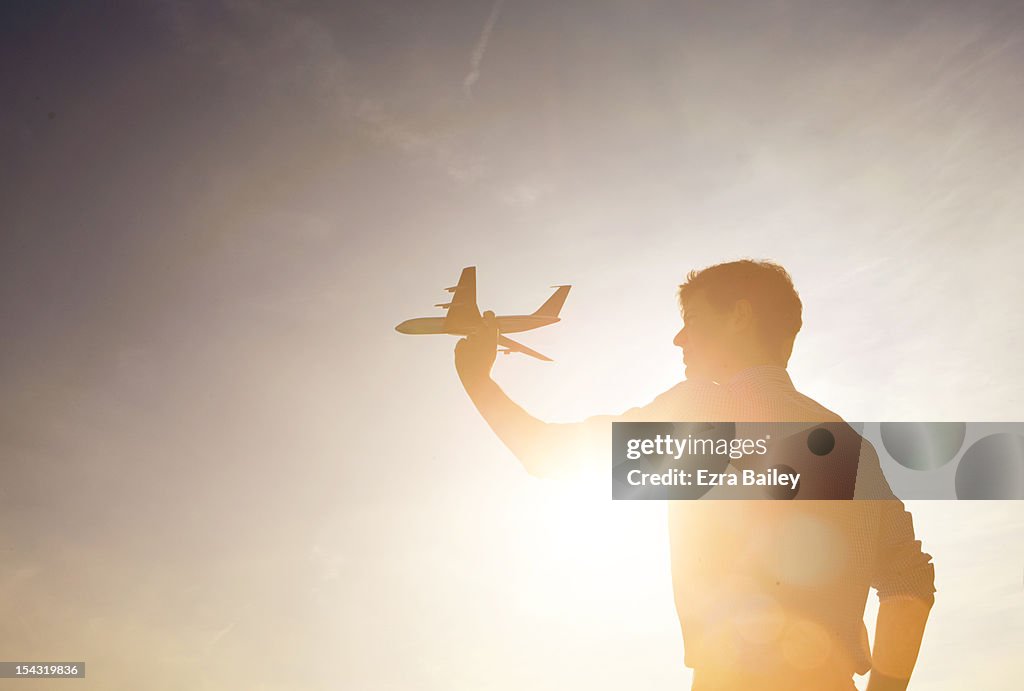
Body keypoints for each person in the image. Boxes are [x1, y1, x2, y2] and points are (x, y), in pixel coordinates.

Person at [454, 259, 935, 691]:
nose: (679, 339)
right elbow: (909, 582)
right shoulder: (851, 447)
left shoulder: (704, 408)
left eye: (692, 321)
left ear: (740, 316)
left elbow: (547, 454)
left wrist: (478, 378)